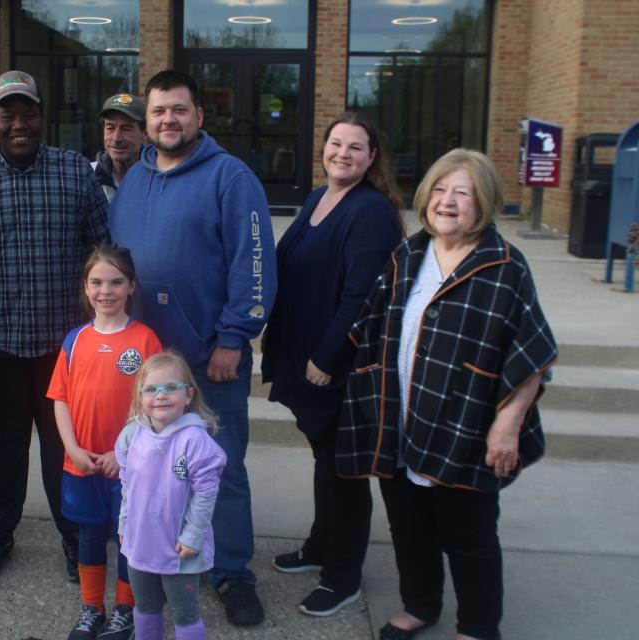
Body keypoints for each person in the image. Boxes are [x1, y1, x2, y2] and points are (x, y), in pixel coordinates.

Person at [337, 149, 558, 640]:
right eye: (439, 189)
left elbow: (532, 354)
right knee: (408, 527)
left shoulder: (504, 266)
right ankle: (420, 605)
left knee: (470, 537)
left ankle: (478, 627)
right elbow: (370, 328)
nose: (448, 201)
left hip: (467, 427)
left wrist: (508, 424)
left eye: (463, 193)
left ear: (484, 203)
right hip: (399, 420)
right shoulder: (408, 254)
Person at [109, 69, 276, 626]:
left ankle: (231, 573)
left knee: (218, 471)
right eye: (158, 112)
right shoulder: (135, 179)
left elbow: (253, 266)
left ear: (199, 116)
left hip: (210, 360)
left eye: (179, 110)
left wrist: (234, 337)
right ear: (147, 120)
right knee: (155, 471)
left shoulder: (232, 178)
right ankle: (168, 561)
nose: (168, 120)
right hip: (150, 364)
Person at [0, 70, 111, 582]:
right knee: (2, 451)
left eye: (28, 113)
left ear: (42, 116)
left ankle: (74, 538)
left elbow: (102, 255)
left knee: (65, 453)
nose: (20, 124)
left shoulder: (75, 173)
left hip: (64, 354)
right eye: (8, 115)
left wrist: (102, 335)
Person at [260, 111, 404, 616]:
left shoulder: (371, 212)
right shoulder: (319, 198)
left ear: (372, 157)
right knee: (326, 460)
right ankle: (321, 546)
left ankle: (343, 576)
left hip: (338, 365)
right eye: (336, 143)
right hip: (304, 354)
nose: (342, 154)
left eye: (355, 147)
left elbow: (363, 296)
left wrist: (328, 355)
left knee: (345, 471)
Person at [47, 245, 162, 640]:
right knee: (91, 535)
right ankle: (92, 607)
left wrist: (122, 452)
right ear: (85, 287)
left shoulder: (146, 341)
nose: (105, 291)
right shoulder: (75, 339)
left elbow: (156, 408)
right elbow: (60, 399)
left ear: (131, 287)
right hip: (81, 463)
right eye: (97, 282)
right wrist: (73, 449)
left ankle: (125, 609)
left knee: (130, 537)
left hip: (131, 466)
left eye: (116, 282)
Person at [115, 351, 227, 640]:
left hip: (180, 551)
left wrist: (193, 536)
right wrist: (124, 525)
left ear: (188, 395)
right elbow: (127, 486)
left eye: (171, 387)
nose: (161, 395)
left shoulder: (195, 439)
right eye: (152, 389)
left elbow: (205, 493)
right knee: (146, 607)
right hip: (140, 545)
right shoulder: (131, 436)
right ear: (140, 396)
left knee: (184, 614)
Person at [91, 93, 147, 202]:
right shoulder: (89, 175)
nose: (116, 138)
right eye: (110, 128)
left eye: (126, 128)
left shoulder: (160, 177)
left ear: (144, 134)